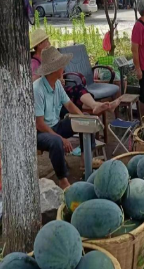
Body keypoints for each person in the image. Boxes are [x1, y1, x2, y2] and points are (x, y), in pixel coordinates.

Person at [33, 47, 107, 189]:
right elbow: (39, 124)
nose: (64, 67)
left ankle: (85, 161)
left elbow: (70, 105)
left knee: (85, 120)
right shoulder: (38, 89)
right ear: (54, 69)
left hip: (55, 126)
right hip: (40, 133)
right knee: (56, 142)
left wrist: (85, 120)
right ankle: (63, 180)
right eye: (61, 65)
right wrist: (61, 138)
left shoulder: (57, 84)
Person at [30, 29, 119, 114]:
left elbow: (59, 68)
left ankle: (98, 106)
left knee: (78, 89)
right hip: (49, 91)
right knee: (76, 97)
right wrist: (53, 79)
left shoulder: (51, 55)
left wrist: (60, 78)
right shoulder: (34, 62)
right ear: (39, 44)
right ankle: (103, 107)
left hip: (57, 87)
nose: (49, 43)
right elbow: (35, 81)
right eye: (46, 41)